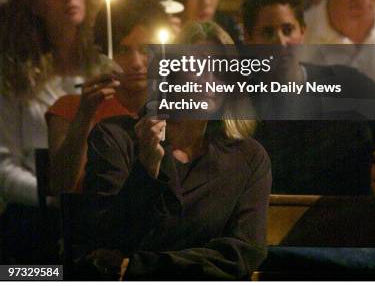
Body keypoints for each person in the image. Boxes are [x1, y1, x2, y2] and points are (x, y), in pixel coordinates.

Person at [80, 21, 271, 280]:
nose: (209, 79)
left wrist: (145, 267)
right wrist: (146, 169)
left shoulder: (247, 158)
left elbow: (243, 253)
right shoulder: (115, 137)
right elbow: (106, 240)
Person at [0, 0, 110, 261]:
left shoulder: (105, 67)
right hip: (33, 219)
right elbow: (4, 166)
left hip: (99, 215)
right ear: (34, 5)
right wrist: (54, 198)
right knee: (29, 276)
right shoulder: (16, 76)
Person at [242, 0, 375, 194]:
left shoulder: (348, 84)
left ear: (302, 31)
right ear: (249, 39)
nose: (280, 42)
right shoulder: (240, 103)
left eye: (287, 29)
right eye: (268, 32)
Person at [46, 0, 170, 194]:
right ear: (103, 53)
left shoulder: (176, 108)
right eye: (123, 50)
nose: (136, 62)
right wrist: (84, 116)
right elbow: (60, 186)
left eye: (146, 49)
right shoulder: (70, 108)